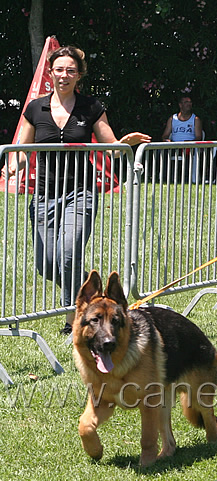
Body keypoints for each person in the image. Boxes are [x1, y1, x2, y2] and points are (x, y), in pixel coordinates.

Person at [6, 45, 151, 334]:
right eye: (59, 69)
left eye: (70, 70)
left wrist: (125, 143)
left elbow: (111, 148)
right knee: (48, 266)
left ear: (79, 75)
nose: (64, 75)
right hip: (45, 194)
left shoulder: (91, 107)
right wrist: (11, 165)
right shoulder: (36, 108)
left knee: (68, 256)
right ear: (50, 73)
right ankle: (94, 293)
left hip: (80, 193)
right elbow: (21, 150)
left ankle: (73, 322)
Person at [161, 95, 203, 182]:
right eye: (186, 102)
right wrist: (168, 141)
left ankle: (188, 178)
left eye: (190, 102)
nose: (189, 104)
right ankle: (164, 177)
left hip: (189, 146)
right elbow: (165, 135)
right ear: (180, 105)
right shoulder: (173, 119)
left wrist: (189, 143)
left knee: (189, 152)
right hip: (174, 145)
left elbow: (199, 137)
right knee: (161, 151)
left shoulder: (195, 119)